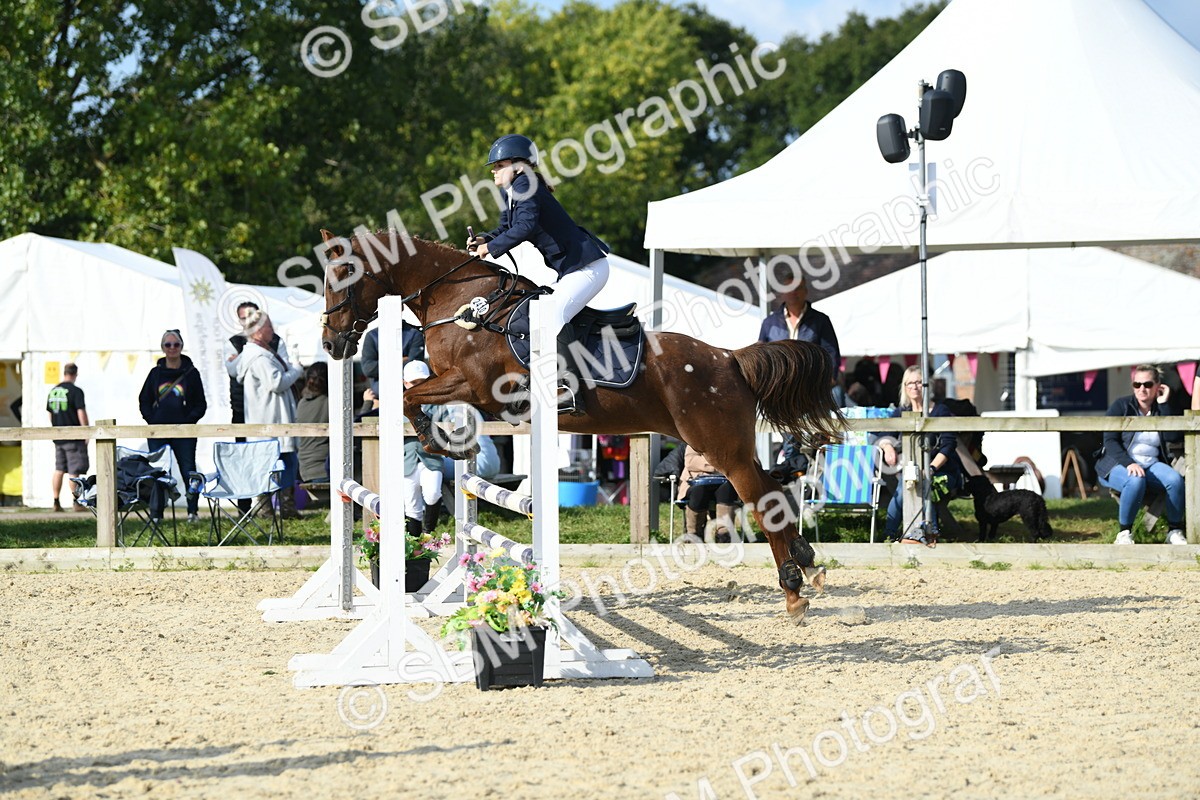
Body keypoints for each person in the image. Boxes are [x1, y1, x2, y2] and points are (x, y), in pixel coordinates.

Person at [468, 133, 610, 416]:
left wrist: (491, 249)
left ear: (517, 164)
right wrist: (485, 240)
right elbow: (507, 226)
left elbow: (526, 227)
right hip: (573, 270)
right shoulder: (514, 189)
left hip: (589, 268)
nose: (494, 171)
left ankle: (567, 389)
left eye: (498, 165)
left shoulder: (526, 185)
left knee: (550, 315)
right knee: (539, 313)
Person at [1096, 365, 1185, 545]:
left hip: (1150, 463)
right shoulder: (1120, 405)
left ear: (1158, 385)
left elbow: (1173, 437)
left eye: (1147, 384)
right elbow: (1109, 441)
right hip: (1118, 463)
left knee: (1175, 480)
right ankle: (1124, 533)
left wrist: (1164, 404)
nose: (1142, 389)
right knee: (1135, 480)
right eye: (1137, 384)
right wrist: (1129, 463)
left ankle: (1174, 531)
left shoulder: (1162, 408)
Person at [878, 365, 963, 545]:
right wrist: (888, 447)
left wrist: (931, 468)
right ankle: (892, 536)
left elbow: (948, 446)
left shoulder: (941, 411)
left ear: (926, 386)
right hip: (910, 471)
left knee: (921, 484)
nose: (914, 387)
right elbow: (883, 435)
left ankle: (924, 534)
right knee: (905, 486)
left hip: (942, 471)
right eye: (909, 383)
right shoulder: (901, 412)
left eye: (918, 382)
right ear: (904, 387)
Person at [236, 309, 304, 518]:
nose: (272, 330)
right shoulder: (258, 357)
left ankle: (283, 507)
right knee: (279, 464)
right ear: (257, 331)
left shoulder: (260, 353)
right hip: (271, 422)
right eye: (268, 326)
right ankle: (273, 508)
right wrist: (297, 371)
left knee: (282, 464)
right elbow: (276, 383)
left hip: (270, 421)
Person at [138, 330, 208, 522]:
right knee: (158, 472)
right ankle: (157, 513)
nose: (172, 348)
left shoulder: (192, 374)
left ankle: (192, 511)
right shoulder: (155, 374)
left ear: (181, 347)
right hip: (158, 430)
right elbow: (144, 399)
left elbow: (201, 404)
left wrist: (188, 421)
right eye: (168, 345)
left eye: (175, 344)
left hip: (184, 431)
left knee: (189, 471)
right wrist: (151, 420)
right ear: (162, 348)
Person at [225, 301, 288, 513]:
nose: (248, 321)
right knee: (248, 459)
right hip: (243, 409)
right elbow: (233, 370)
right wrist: (296, 370)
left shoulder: (276, 342)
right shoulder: (235, 343)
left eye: (252, 316)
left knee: (281, 456)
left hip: (272, 411)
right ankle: (248, 506)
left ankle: (279, 504)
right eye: (244, 318)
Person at [757, 275, 841, 377]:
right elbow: (761, 354)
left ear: (805, 292)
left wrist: (830, 378)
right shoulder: (769, 322)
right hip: (779, 383)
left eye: (797, 288)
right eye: (789, 288)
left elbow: (831, 352)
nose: (793, 292)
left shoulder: (821, 320)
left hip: (811, 382)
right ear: (783, 293)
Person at [654, 443, 739, 541]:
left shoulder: (728, 439)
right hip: (695, 481)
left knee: (727, 488)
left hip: (723, 480)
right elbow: (691, 462)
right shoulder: (695, 439)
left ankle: (724, 534)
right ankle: (694, 534)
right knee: (699, 491)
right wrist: (718, 465)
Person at [401, 361, 447, 534]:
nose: (418, 386)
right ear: (405, 383)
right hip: (406, 458)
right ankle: (415, 545)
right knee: (411, 504)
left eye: (421, 382)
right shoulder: (397, 403)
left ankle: (429, 533)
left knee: (433, 493)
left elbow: (446, 425)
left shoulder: (438, 404)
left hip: (432, 458)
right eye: (413, 383)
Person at [46, 362, 88, 512]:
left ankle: (56, 501)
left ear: (64, 373)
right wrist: (86, 432)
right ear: (75, 374)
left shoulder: (53, 391)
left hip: (58, 437)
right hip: (73, 437)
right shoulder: (76, 391)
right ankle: (76, 503)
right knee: (73, 471)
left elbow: (50, 414)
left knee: (59, 469)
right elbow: (81, 413)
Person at [361, 319, 425, 398]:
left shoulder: (414, 334)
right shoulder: (372, 335)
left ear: (402, 307)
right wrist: (400, 361)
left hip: (408, 396)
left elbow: (415, 367)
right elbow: (368, 369)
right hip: (380, 398)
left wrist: (381, 365)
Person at [296, 363, 330, 483]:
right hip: (325, 470)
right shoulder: (329, 402)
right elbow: (352, 428)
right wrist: (368, 403)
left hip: (305, 470)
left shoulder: (302, 404)